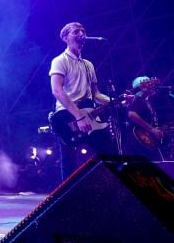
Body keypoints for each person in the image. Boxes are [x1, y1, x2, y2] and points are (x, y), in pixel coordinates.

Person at [49, 21, 115, 179]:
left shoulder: (88, 65)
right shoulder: (60, 60)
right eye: (76, 31)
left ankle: (111, 188)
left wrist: (117, 100)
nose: (81, 34)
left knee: (108, 153)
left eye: (83, 31)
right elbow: (57, 90)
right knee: (69, 162)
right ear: (65, 37)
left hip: (89, 114)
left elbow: (96, 94)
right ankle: (68, 198)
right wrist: (78, 116)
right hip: (66, 116)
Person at [125, 76, 167, 160]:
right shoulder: (138, 99)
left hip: (149, 139)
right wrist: (151, 129)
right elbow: (131, 114)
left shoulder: (147, 101)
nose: (151, 86)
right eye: (148, 84)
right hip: (139, 141)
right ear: (141, 86)